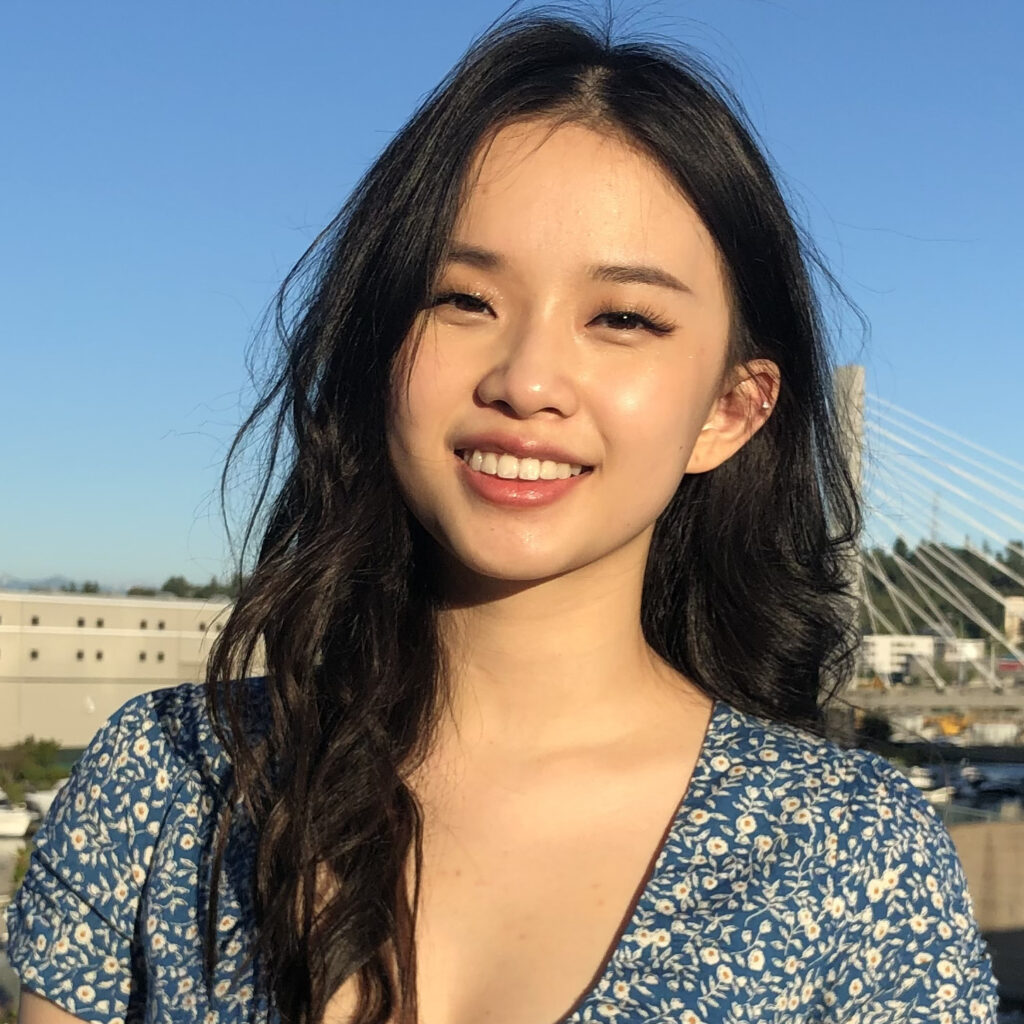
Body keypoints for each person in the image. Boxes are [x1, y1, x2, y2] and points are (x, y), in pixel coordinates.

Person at [6, 12, 998, 1024]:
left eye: (622, 318)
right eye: (462, 298)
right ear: (378, 343)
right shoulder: (168, 778)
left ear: (728, 409)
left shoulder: (848, 855)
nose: (525, 381)